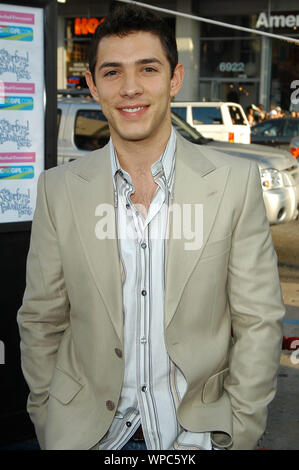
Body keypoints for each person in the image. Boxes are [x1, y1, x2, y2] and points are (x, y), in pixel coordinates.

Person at [17, 4, 285, 451]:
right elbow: (41, 319)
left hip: (198, 434)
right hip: (91, 436)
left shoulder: (233, 183)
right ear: (93, 86)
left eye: (148, 68)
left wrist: (239, 427)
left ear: (174, 79)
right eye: (112, 72)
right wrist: (48, 415)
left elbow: (259, 321)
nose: (131, 88)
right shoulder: (58, 190)